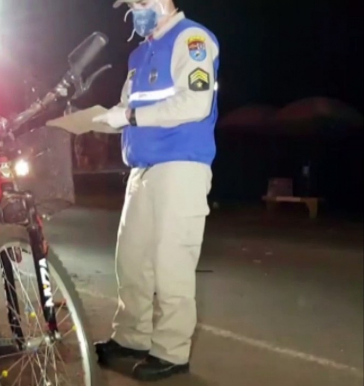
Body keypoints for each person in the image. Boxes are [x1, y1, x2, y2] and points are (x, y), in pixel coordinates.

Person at [91, 0, 219, 382]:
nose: (135, 10)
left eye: (141, 2)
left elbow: (196, 102)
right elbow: (129, 104)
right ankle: (131, 337)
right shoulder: (138, 53)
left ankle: (171, 352)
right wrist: (105, 118)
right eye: (130, 5)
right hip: (142, 170)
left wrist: (129, 116)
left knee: (171, 265)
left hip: (180, 166)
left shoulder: (192, 39)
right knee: (131, 262)